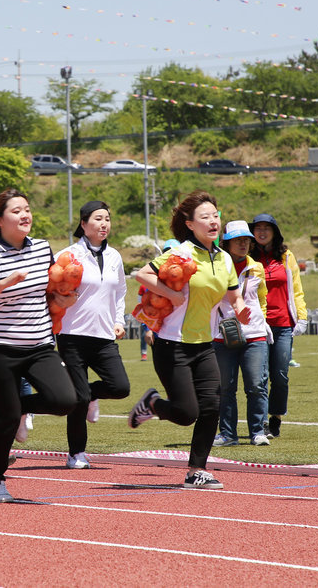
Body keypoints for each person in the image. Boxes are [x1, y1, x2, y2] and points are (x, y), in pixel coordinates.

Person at [129, 190, 250, 490]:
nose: (213, 221)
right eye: (205, 217)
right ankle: (153, 404)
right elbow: (142, 274)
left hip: (204, 344)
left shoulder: (223, 257)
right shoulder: (181, 253)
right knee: (186, 413)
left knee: (212, 407)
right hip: (172, 344)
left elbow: (232, 293)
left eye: (215, 215)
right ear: (190, 224)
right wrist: (171, 294)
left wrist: (241, 308)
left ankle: (196, 470)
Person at [0, 188, 77, 502]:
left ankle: (12, 404)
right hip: (0, 348)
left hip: (40, 344)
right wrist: (2, 284)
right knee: (7, 421)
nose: (25, 215)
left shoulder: (43, 249)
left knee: (66, 400)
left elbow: (54, 291)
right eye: (16, 211)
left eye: (27, 209)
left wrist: (66, 297)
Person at [55, 200, 129, 469]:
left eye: (107, 218)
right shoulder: (67, 256)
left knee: (120, 387)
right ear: (84, 224)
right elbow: (50, 290)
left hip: (104, 336)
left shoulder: (115, 257)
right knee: (79, 398)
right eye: (98, 218)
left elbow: (121, 291)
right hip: (72, 335)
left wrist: (119, 320)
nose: (104, 223)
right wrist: (60, 299)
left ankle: (87, 395)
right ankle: (77, 454)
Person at [211, 221, 270, 447]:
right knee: (226, 387)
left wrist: (260, 320)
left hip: (254, 334)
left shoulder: (256, 267)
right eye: (238, 240)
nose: (244, 243)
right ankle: (228, 434)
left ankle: (257, 432)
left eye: (246, 239)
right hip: (222, 334)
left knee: (256, 385)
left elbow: (261, 298)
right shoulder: (216, 266)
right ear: (227, 243)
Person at [250, 213, 306, 439]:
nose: (262, 232)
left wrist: (301, 316)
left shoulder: (286, 256)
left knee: (280, 375)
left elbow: (297, 289)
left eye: (267, 228)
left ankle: (276, 417)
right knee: (260, 376)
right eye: (258, 228)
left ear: (275, 232)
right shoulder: (247, 256)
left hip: (283, 324)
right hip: (257, 325)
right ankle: (261, 423)